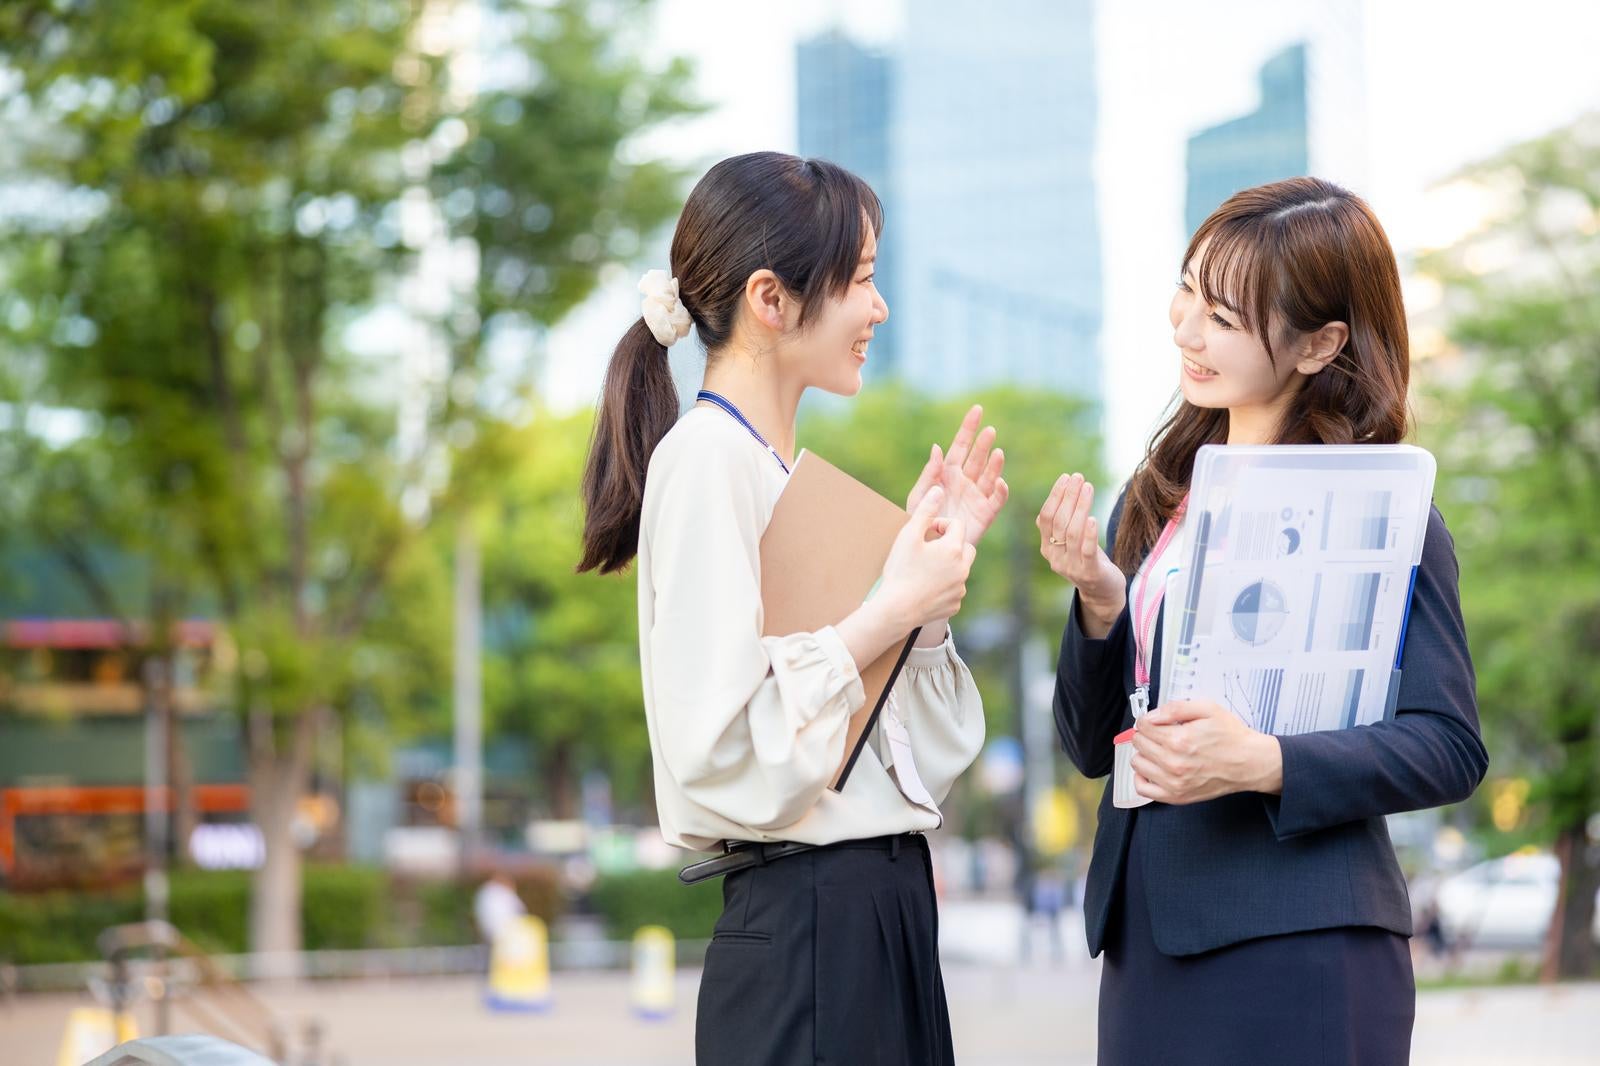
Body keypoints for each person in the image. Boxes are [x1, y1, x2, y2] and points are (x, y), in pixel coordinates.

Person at [1039, 177, 1488, 1064]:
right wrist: (1099, 600)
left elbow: (1449, 743)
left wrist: (1266, 762)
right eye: (1189, 290)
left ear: (1321, 342)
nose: (1187, 328)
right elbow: (1093, 748)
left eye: (1225, 314)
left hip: (1302, 942)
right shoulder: (1153, 501)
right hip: (1149, 943)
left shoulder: (1381, 511)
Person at [579, 152, 1008, 1065]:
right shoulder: (705, 459)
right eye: (860, 280)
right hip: (807, 925)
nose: (877, 309)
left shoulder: (775, 473)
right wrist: (887, 609)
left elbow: (909, 762)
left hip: (873, 914)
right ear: (771, 299)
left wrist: (926, 591)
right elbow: (719, 744)